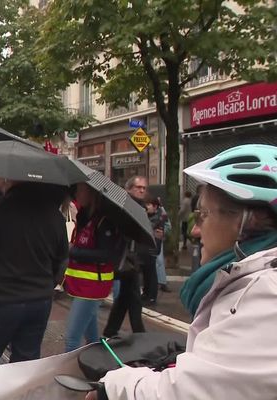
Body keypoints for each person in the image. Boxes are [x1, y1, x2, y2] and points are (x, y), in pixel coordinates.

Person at [87, 144, 277, 400]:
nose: (195, 231)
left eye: (203, 214)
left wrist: (113, 386)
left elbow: (186, 392)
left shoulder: (265, 297)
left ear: (244, 222)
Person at [0, 181, 68, 369]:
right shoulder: (55, 215)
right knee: (25, 367)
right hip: (40, 301)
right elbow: (61, 259)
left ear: (12, 179)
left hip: (2, 299)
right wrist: (46, 284)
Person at [64, 183, 121, 352]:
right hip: (82, 285)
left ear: (91, 193)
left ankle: (67, 376)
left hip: (93, 286)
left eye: (81, 190)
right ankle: (97, 368)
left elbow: (106, 255)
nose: (77, 194)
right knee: (92, 339)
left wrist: (73, 251)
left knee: (71, 339)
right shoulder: (83, 216)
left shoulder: (105, 221)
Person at [103, 175, 148, 338]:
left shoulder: (139, 207)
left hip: (131, 258)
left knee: (125, 297)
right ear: (129, 189)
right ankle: (140, 334)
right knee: (134, 297)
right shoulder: (125, 206)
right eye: (138, 187)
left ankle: (111, 330)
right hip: (125, 258)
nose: (142, 190)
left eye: (144, 188)